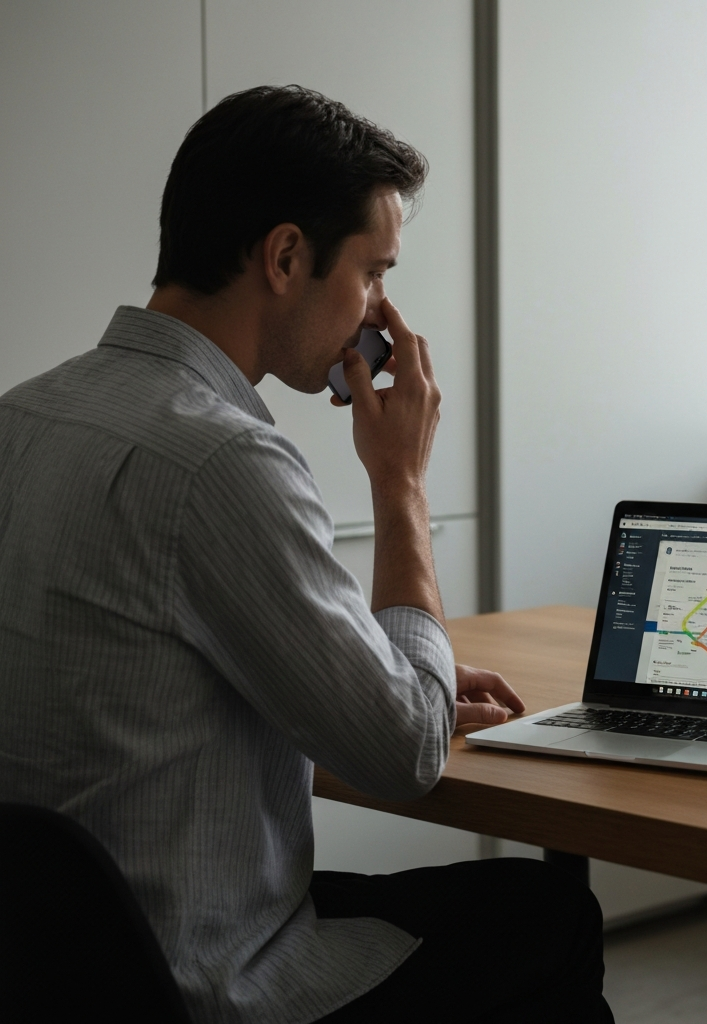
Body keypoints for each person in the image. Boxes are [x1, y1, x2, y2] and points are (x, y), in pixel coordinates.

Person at [0, 85, 613, 1024]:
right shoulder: (223, 460)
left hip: (47, 964)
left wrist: (386, 671)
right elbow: (405, 751)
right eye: (372, 274)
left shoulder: (24, 416)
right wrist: (400, 481)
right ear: (286, 256)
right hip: (204, 981)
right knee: (551, 915)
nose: (378, 315)